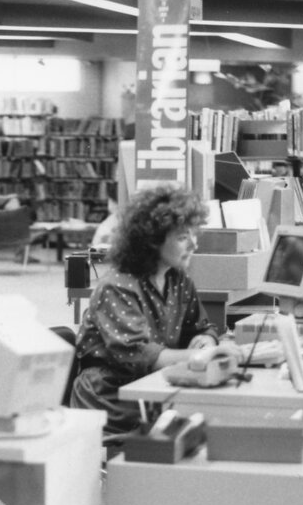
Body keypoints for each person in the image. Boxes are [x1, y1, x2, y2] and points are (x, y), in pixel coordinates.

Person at [71, 184, 222, 435]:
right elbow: (144, 357)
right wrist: (210, 355)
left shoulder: (178, 280)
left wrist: (205, 339)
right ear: (152, 241)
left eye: (194, 234)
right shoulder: (117, 287)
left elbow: (201, 326)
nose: (194, 245)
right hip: (112, 402)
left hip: (155, 390)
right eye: (183, 237)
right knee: (206, 424)